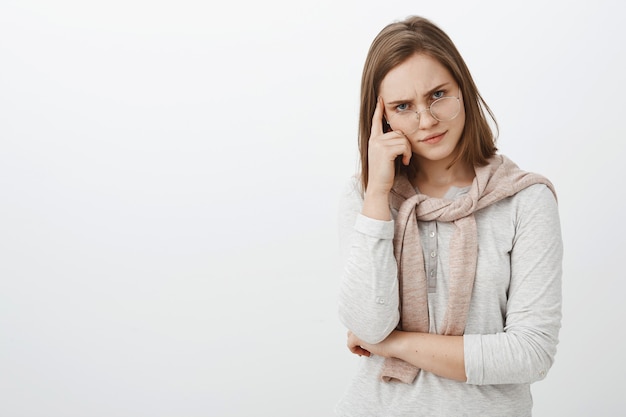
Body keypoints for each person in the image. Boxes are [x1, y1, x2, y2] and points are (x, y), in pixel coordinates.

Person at [336, 15, 563, 417]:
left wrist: (392, 344)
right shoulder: (366, 197)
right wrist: (376, 195)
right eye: (403, 106)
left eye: (438, 94)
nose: (426, 120)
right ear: (382, 118)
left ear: (464, 89)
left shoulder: (526, 199)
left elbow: (530, 353)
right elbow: (369, 325)